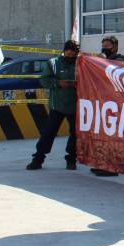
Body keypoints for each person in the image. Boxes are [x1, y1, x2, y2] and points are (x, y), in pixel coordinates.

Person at [27, 41, 80, 171]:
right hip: (57, 106)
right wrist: (58, 83)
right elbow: (44, 80)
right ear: (65, 50)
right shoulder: (53, 63)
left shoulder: (81, 64)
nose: (72, 53)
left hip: (75, 107)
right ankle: (38, 159)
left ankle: (71, 160)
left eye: (74, 51)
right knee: (48, 133)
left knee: (75, 134)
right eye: (70, 50)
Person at [91, 35, 124, 177]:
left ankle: (112, 167)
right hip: (104, 103)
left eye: (108, 46)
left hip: (116, 105)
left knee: (113, 137)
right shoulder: (101, 59)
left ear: (115, 47)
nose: (105, 49)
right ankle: (103, 164)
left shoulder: (120, 60)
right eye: (103, 46)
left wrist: (101, 59)